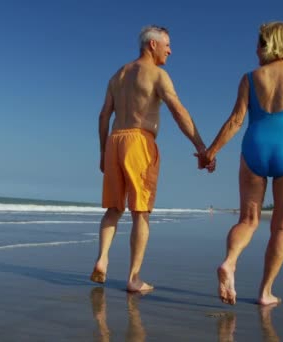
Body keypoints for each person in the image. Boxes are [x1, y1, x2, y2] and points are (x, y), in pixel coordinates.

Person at [198, 21, 283, 305]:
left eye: (259, 43)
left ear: (269, 44)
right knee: (280, 226)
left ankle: (230, 261)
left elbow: (236, 120)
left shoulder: (250, 78)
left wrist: (210, 152)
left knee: (248, 220)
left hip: (255, 147)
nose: (255, 49)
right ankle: (265, 292)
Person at [90, 25, 212, 293]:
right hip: (139, 142)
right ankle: (134, 278)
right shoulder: (157, 75)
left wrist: (102, 152)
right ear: (152, 45)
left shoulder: (117, 75)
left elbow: (103, 116)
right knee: (140, 212)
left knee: (114, 208)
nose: (170, 50)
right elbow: (178, 111)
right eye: (167, 44)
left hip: (114, 140)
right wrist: (201, 146)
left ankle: (102, 258)